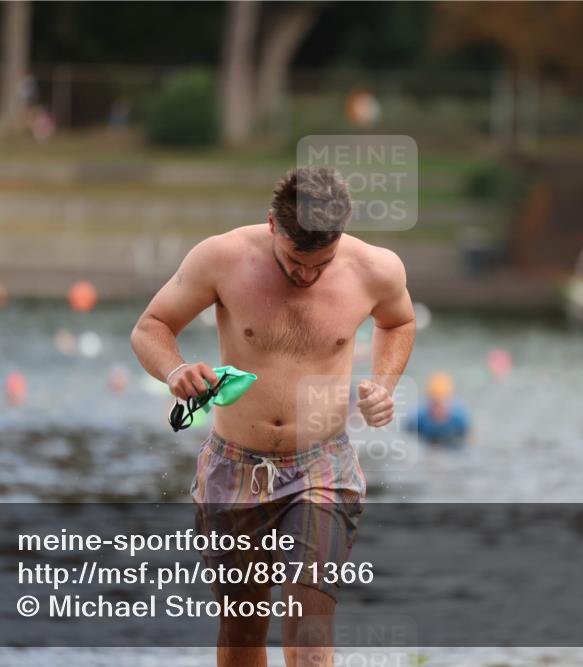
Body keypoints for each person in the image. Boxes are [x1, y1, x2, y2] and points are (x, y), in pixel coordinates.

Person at [131, 166, 415, 667]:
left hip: (323, 466)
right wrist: (174, 370)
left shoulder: (376, 269)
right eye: (294, 261)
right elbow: (150, 327)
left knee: (309, 630)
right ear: (272, 225)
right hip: (233, 465)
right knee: (242, 632)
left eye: (320, 264)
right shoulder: (221, 258)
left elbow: (399, 321)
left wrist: (385, 384)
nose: (307, 276)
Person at [412, 372, 470, 447]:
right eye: (434, 404)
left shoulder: (459, 418)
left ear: (449, 402)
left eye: (440, 405)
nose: (437, 410)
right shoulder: (419, 418)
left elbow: (467, 437)